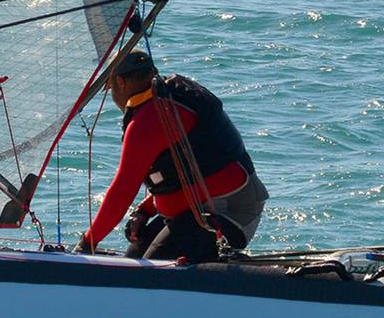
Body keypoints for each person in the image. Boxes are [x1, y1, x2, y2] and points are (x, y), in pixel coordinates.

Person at [77, 50, 268, 264]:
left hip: (228, 216)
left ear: (120, 82)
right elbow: (188, 172)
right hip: (197, 211)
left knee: (145, 277)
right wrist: (145, 210)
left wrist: (87, 243)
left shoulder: (148, 121)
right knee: (131, 260)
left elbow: (122, 191)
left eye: (109, 88)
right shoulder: (167, 100)